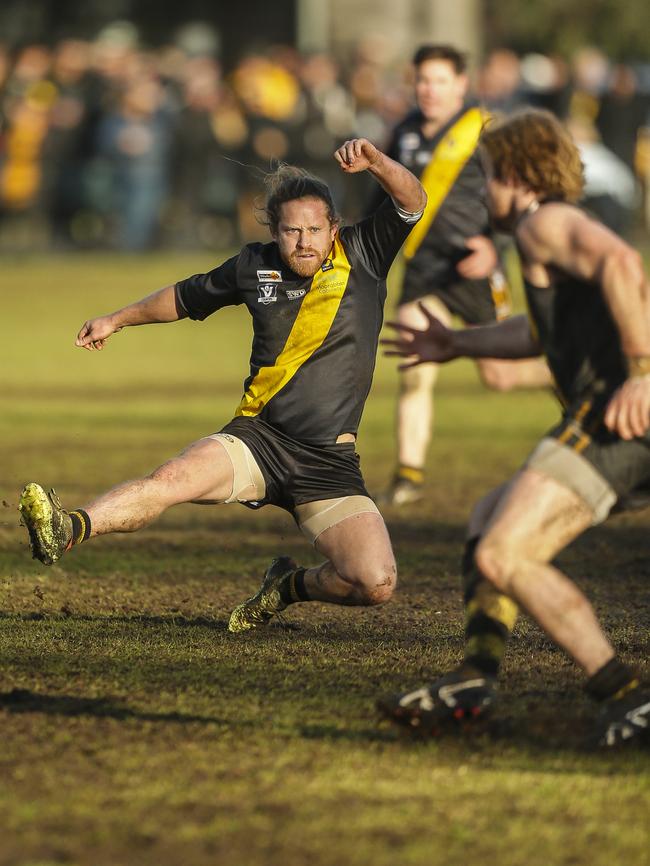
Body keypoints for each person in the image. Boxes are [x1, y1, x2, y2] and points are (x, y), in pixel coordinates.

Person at [19, 138, 426, 633]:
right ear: (274, 231)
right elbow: (185, 297)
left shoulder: (364, 252)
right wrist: (117, 319)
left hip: (328, 463)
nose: (303, 241)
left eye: (314, 229)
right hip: (258, 439)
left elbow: (412, 201)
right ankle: (69, 529)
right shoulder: (254, 265)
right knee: (168, 481)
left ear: (333, 228)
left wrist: (377, 162)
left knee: (374, 582)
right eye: (291, 230)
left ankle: (287, 586)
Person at [379, 109, 650, 748]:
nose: (483, 192)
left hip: (615, 415)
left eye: (489, 176)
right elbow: (539, 332)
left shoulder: (543, 223)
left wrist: (642, 372)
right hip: (611, 417)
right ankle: (476, 676)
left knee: (505, 552)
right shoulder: (547, 230)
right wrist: (456, 342)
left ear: (519, 174)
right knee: (486, 518)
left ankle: (626, 694)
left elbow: (623, 263)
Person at [373, 44, 550, 507]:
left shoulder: (485, 131)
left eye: (439, 81)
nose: (429, 90)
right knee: (414, 360)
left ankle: (558, 371)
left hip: (475, 270)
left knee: (498, 376)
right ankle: (409, 473)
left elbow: (517, 195)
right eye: (422, 80)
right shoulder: (405, 131)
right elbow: (382, 194)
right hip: (424, 269)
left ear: (461, 85)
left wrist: (496, 246)